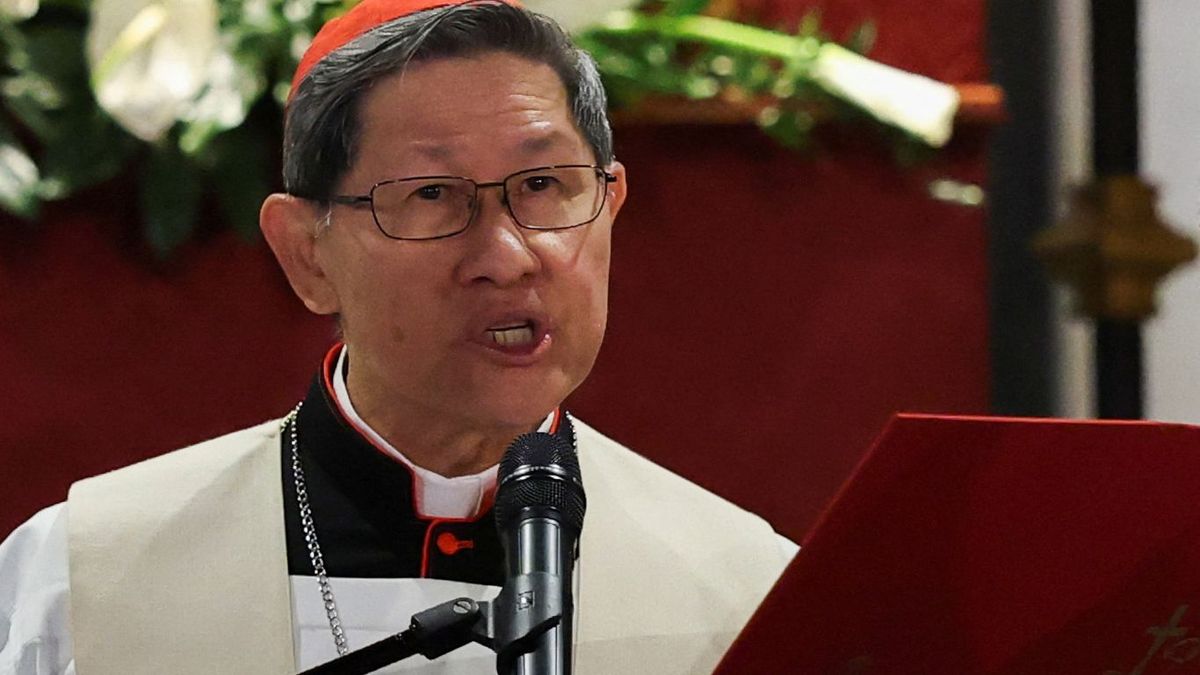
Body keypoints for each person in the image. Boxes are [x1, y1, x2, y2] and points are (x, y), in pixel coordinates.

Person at [0, 1, 795, 673]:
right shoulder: (78, 581)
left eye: (545, 185)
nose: (507, 256)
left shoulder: (750, 592)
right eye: (432, 194)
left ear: (610, 205)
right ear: (306, 255)